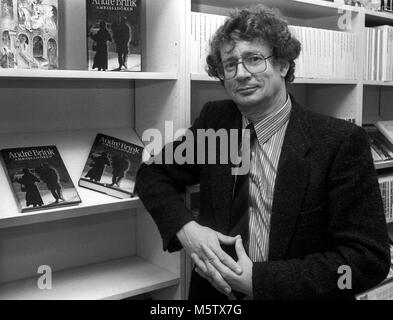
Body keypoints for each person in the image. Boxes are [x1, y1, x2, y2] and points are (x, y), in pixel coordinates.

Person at [135, 5, 391, 300]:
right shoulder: (217, 123)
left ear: (283, 64)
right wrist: (187, 230)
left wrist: (260, 281)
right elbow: (152, 172)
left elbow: (366, 261)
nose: (241, 74)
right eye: (230, 64)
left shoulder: (339, 142)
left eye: (254, 59)